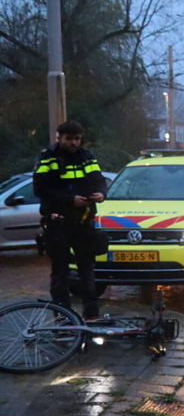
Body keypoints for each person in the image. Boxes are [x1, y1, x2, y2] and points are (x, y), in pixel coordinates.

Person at [33, 121, 107, 319]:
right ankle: (63, 317)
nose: (73, 142)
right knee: (60, 272)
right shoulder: (47, 158)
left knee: (87, 269)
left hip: (83, 222)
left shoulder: (87, 157)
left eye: (77, 138)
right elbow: (40, 189)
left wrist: (101, 193)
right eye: (69, 139)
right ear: (59, 138)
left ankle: (92, 315)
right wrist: (70, 200)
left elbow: (99, 179)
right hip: (58, 224)